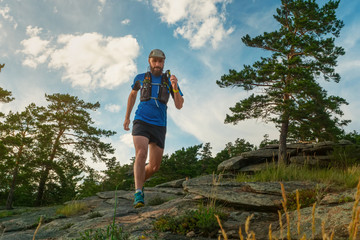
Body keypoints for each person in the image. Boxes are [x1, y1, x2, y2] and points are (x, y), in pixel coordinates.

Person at [123, 49, 184, 208]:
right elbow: (132, 95)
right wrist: (127, 117)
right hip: (141, 120)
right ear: (149, 61)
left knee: (155, 166)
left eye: (160, 61)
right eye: (154, 61)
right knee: (141, 153)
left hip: (159, 125)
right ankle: (138, 192)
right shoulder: (140, 78)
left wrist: (175, 86)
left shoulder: (169, 81)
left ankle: (139, 180)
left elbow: (179, 105)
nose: (157, 64)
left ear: (164, 63)